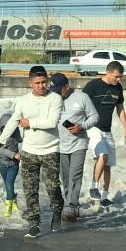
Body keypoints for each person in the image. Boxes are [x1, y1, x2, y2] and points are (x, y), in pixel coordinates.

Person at [0, 71, 63, 238]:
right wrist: (0, 141)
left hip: (50, 150)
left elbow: (52, 122)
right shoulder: (24, 101)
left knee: (53, 187)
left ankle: (57, 210)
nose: (41, 86)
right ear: (30, 83)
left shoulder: (55, 99)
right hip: (29, 151)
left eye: (44, 82)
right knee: (30, 189)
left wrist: (29, 122)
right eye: (37, 83)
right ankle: (34, 223)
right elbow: (13, 122)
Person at [82, 61, 126, 207]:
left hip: (107, 130)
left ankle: (104, 197)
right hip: (93, 127)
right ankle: (93, 188)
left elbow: (120, 108)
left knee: (108, 165)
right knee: (102, 156)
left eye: (120, 77)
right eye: (116, 77)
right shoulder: (93, 86)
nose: (119, 80)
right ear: (108, 72)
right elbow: (81, 104)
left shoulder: (118, 88)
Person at [49, 73, 99, 221]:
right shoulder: (52, 98)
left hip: (79, 143)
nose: (57, 93)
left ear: (66, 87)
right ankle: (68, 204)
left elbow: (95, 116)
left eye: (59, 90)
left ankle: (72, 205)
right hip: (59, 144)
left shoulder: (82, 97)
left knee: (75, 175)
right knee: (64, 177)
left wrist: (82, 126)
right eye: (54, 90)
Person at [0, 112, 22, 217]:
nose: (8, 129)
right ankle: (14, 201)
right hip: (2, 164)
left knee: (9, 185)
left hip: (13, 165)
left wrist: (18, 129)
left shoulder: (15, 134)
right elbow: (0, 149)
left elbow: (22, 139)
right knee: (7, 185)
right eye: (5, 127)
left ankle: (8, 208)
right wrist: (13, 154)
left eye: (10, 126)